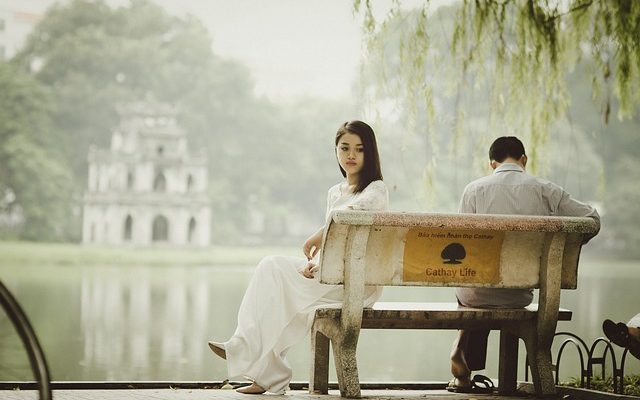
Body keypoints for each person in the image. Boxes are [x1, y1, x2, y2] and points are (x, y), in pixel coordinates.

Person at [207, 120, 389, 394]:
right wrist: (314, 264)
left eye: (359, 149)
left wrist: (318, 234)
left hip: (357, 285)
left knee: (281, 291)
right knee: (270, 270)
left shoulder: (376, 189)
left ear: (370, 153)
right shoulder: (335, 192)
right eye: (345, 148)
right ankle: (259, 362)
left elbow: (350, 216)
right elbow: (336, 244)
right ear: (336, 151)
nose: (351, 155)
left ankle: (258, 363)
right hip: (330, 276)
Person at [448, 136, 600, 393]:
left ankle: (464, 366)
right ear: (524, 160)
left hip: (476, 294)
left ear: (492, 164)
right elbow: (592, 219)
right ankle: (479, 365)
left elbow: (465, 244)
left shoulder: (474, 190)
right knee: (492, 292)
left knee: (471, 292)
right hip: (519, 296)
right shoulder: (547, 190)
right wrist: (569, 248)